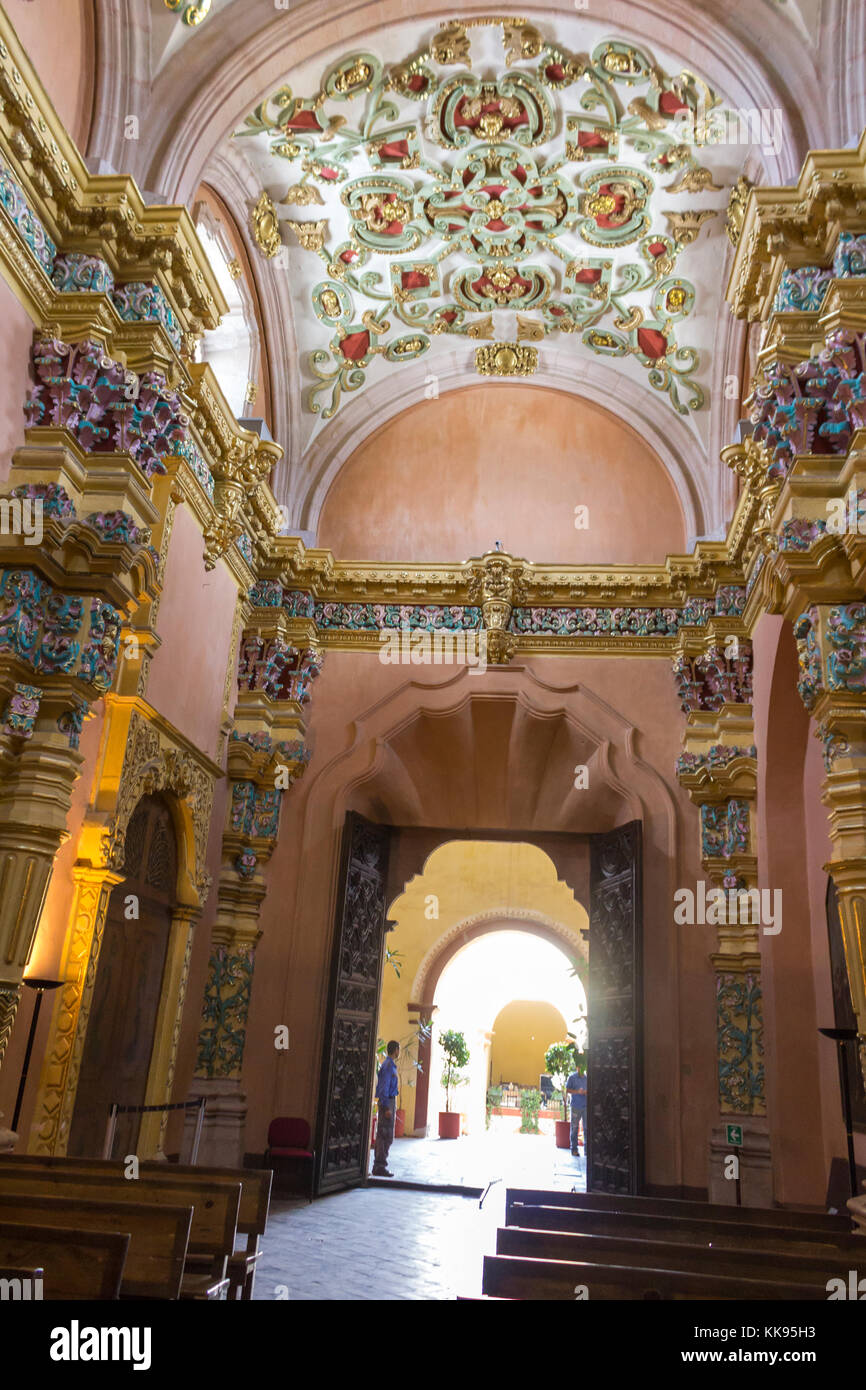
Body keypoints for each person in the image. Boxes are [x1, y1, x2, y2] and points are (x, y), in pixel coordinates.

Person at [372, 1040, 400, 1176]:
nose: (399, 1052)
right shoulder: (388, 1066)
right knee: (385, 1134)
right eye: (398, 1049)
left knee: (386, 1134)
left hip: (390, 1101)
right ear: (395, 1050)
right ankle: (379, 1166)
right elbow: (384, 1087)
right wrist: (386, 1106)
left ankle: (380, 1165)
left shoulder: (390, 1065)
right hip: (387, 1101)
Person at [566, 1064, 587, 1156]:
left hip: (585, 1106)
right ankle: (574, 1149)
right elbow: (567, 1090)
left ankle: (587, 1150)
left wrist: (586, 1092)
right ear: (577, 1067)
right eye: (579, 1067)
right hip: (575, 1106)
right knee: (574, 1128)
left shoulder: (587, 1079)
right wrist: (577, 1092)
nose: (580, 1069)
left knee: (587, 1128)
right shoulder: (572, 1077)